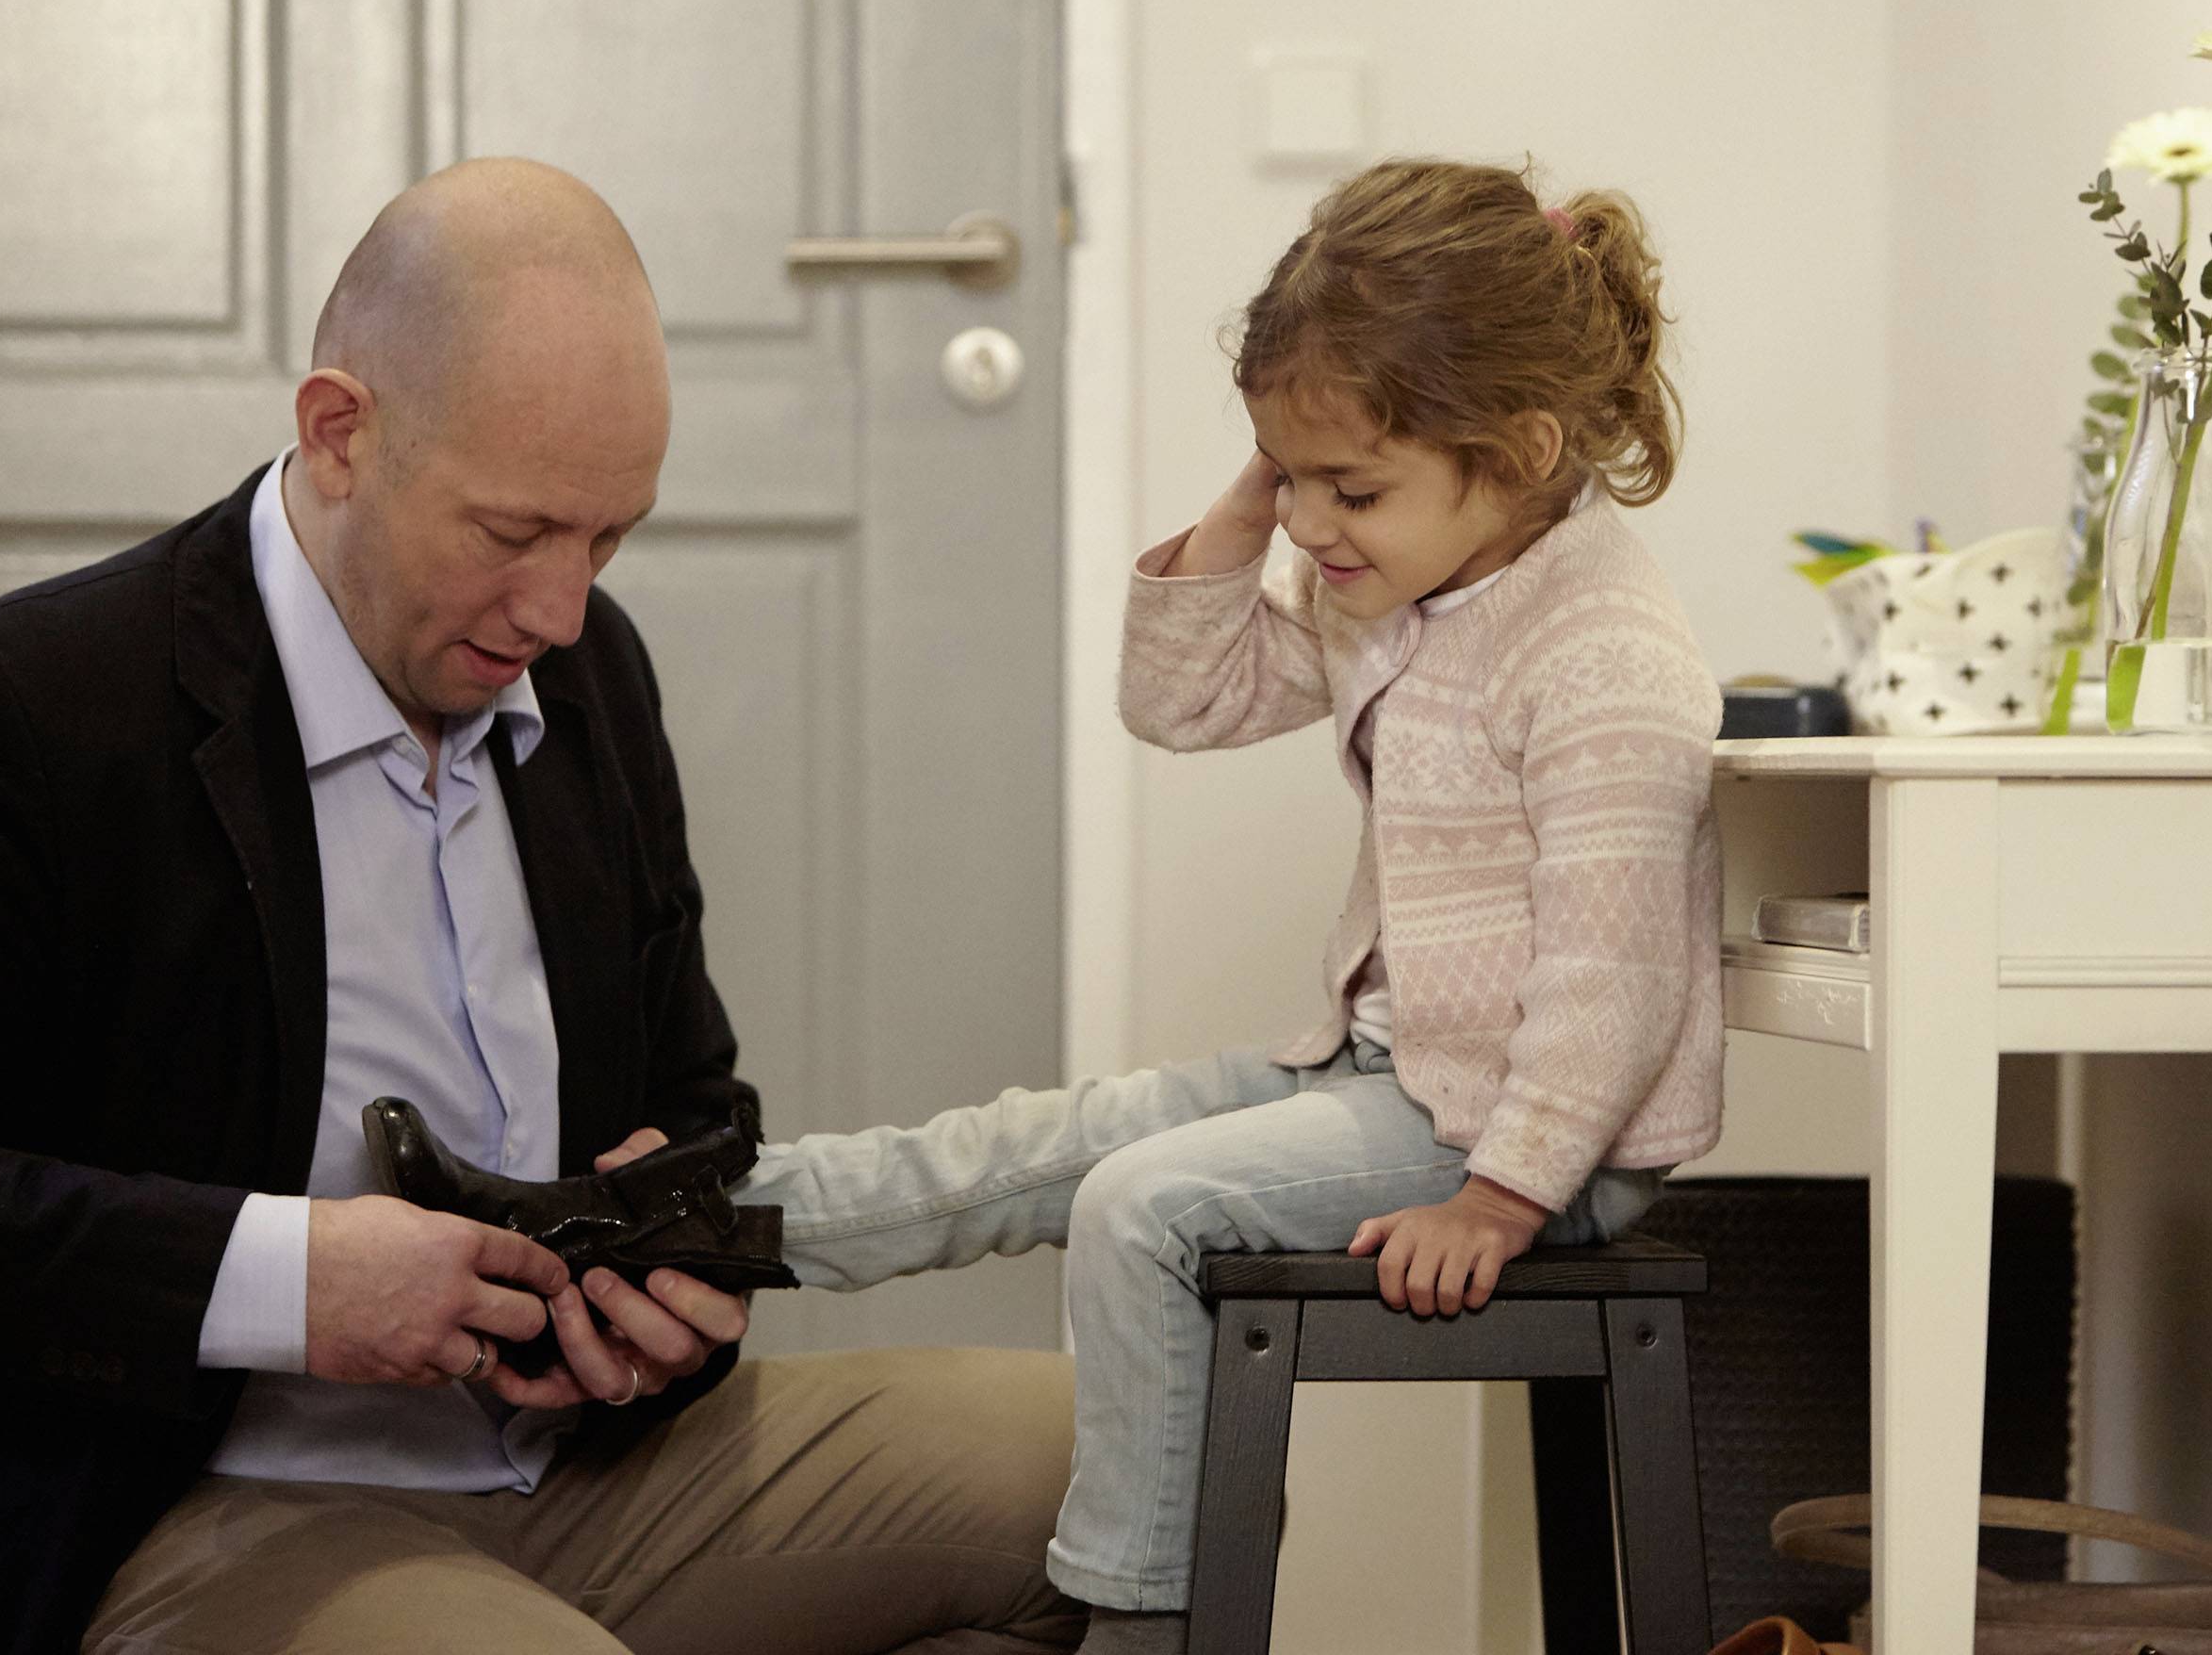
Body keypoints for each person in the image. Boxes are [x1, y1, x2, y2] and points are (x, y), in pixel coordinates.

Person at [0, 158, 1084, 1655]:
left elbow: (700, 1100)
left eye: (609, 537)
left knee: (1127, 1460)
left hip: (592, 1469)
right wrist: (290, 1286)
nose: (561, 611)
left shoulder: (587, 673)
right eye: (513, 535)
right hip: (222, 1497)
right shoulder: (45, 709)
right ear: (339, 435)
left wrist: (670, 1287)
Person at [735, 157, 1727, 1653]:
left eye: (1356, 487)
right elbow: (1179, 702)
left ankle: (1139, 1626)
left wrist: (1505, 1195)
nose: (1317, 524)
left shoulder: (1607, 656)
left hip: (1528, 1138)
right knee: (1050, 1142)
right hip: (1386, 1077)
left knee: (1142, 1210)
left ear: (1519, 448)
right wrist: (1260, 505)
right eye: (1293, 476)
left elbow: (1619, 980)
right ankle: (710, 1226)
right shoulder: (1392, 585)